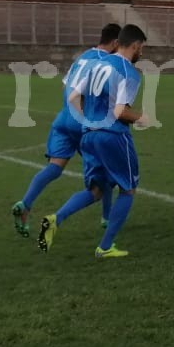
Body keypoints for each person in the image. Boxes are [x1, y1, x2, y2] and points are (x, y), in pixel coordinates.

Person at [37, 24, 146, 259]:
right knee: (128, 189)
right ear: (135, 45)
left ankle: (56, 218)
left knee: (96, 190)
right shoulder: (129, 72)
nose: (142, 53)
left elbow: (75, 96)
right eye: (142, 48)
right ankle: (105, 247)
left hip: (88, 134)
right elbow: (120, 112)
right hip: (113, 136)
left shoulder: (97, 65)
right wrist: (141, 118)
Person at [12, 24, 120, 236]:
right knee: (104, 177)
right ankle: (104, 219)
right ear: (115, 43)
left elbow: (65, 86)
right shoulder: (107, 62)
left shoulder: (83, 56)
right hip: (84, 123)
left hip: (63, 119)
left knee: (54, 167)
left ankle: (25, 204)